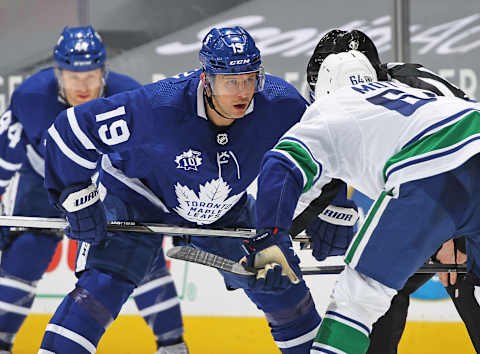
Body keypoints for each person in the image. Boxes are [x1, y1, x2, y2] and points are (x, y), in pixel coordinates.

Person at [36, 26, 358, 354]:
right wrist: (75, 195)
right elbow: (71, 129)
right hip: (138, 195)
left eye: (249, 79)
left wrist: (330, 203)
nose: (242, 92)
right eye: (230, 82)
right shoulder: (157, 106)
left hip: (222, 204)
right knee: (100, 291)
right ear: (206, 79)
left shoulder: (281, 105)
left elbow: (323, 150)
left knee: (287, 294)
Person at [251, 35, 480, 353]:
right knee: (466, 286)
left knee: (358, 298)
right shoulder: (400, 91)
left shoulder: (331, 108)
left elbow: (282, 166)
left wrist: (269, 238)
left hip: (434, 180)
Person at [0, 26, 187, 354]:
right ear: (58, 74)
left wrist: (177, 206)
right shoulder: (30, 97)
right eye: (73, 76)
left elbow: (153, 164)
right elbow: (4, 156)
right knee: (26, 252)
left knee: (142, 257)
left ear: (104, 72)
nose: (83, 85)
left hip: (105, 185)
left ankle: (172, 346)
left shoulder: (130, 98)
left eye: (91, 75)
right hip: (44, 180)